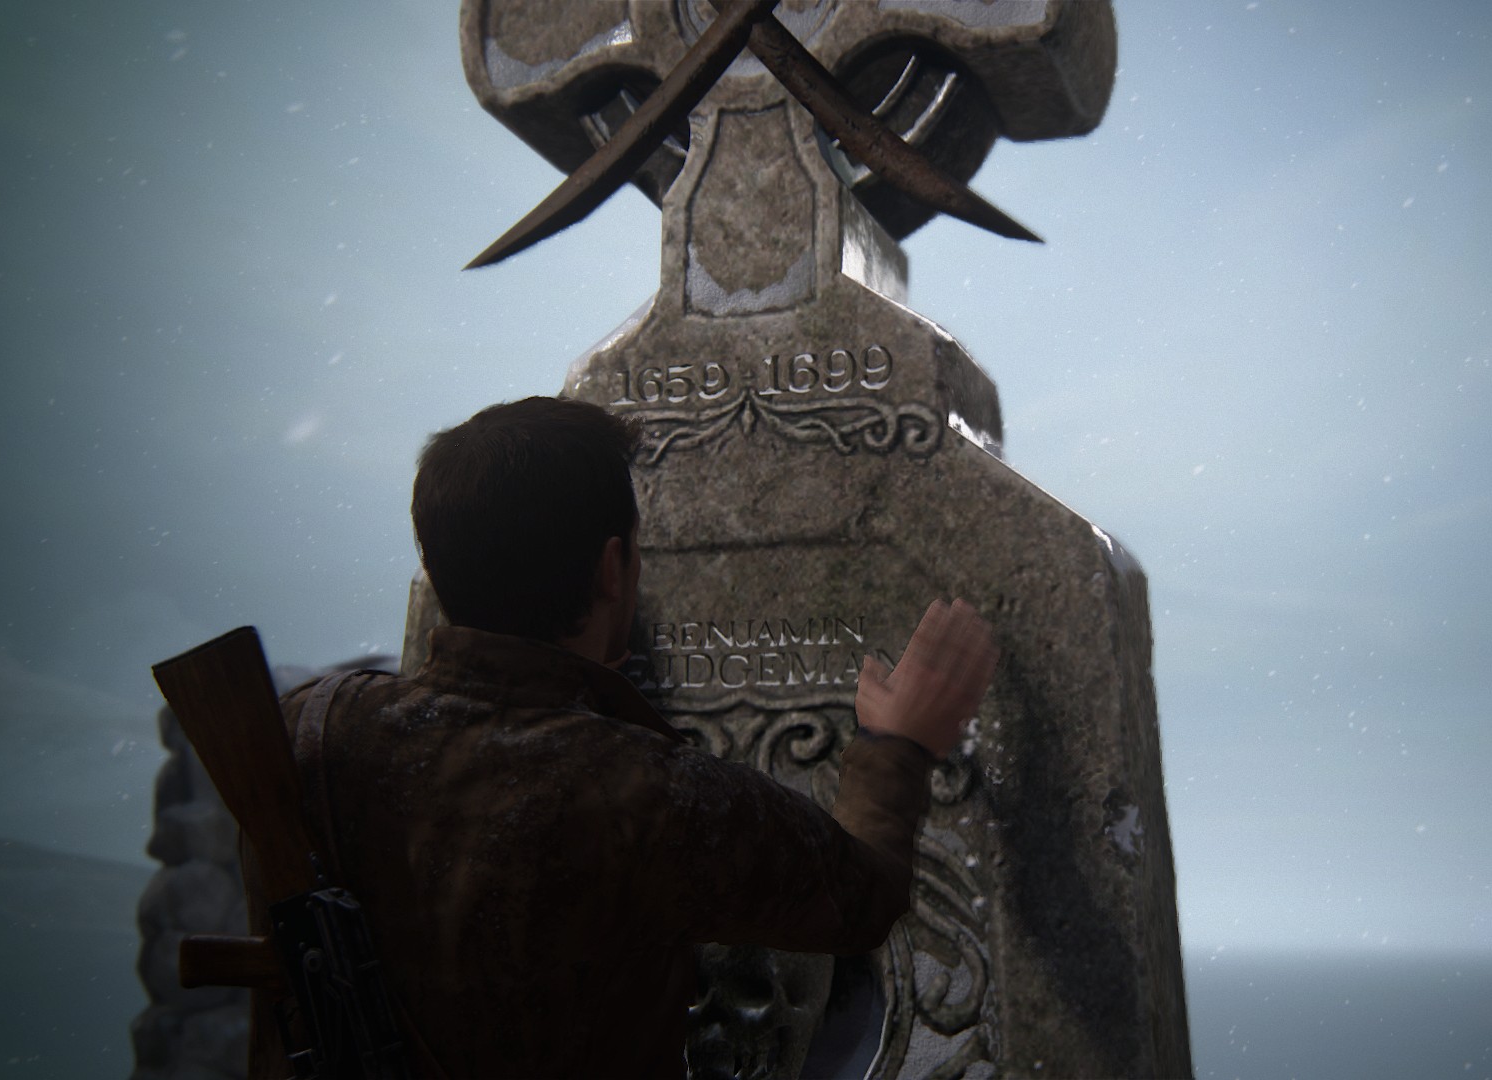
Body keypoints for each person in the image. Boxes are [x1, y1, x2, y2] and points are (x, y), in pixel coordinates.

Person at [244, 396, 999, 1077]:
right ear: (614, 567)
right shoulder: (646, 791)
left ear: (438, 567)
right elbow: (861, 896)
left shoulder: (311, 729)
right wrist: (898, 745)